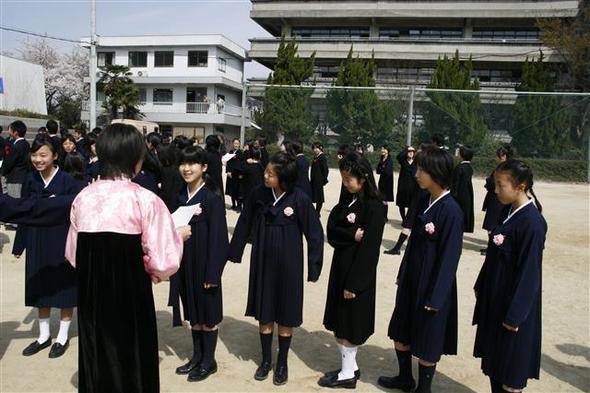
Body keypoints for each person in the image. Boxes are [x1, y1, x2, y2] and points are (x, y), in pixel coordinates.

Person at [65, 123, 188, 393]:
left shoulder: (83, 198)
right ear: (136, 159)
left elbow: (73, 254)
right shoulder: (144, 200)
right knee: (133, 356)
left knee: (96, 353)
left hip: (92, 296)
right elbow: (164, 261)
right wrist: (176, 239)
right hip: (130, 295)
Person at [228, 152, 324, 386]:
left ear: (284, 177)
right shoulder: (258, 194)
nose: (265, 175)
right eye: (266, 171)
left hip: (290, 263)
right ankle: (266, 359)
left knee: (286, 312)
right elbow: (244, 222)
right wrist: (235, 251)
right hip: (263, 260)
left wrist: (314, 266)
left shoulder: (299, 198)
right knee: (265, 309)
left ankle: (282, 361)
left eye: (270, 173)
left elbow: (314, 233)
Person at [379, 147, 463, 393]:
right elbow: (413, 242)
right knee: (400, 330)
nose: (416, 173)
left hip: (432, 284)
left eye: (421, 169)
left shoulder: (451, 211)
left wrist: (436, 297)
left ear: (436, 173)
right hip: (412, 277)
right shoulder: (423, 199)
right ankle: (405, 377)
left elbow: (450, 258)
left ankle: (423, 388)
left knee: (427, 341)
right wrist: (402, 273)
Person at [472, 160, 546, 393]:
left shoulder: (532, 223)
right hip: (496, 301)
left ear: (521, 186)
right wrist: (481, 285)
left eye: (501, 185)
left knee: (511, 374)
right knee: (495, 363)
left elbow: (529, 274)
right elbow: (493, 258)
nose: (495, 190)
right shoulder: (507, 212)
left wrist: (515, 316)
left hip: (514, 309)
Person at [318, 152, 386, 389]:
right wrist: (351, 234)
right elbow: (332, 229)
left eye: (350, 179)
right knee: (339, 322)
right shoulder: (346, 201)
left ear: (364, 177)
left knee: (350, 325)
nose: (346, 184)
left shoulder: (376, 207)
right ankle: (350, 367)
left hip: (357, 275)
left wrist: (354, 284)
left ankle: (348, 375)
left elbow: (369, 251)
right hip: (340, 268)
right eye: (344, 179)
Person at [12, 135, 84, 358]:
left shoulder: (68, 181)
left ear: (55, 155)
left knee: (64, 287)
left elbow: (76, 215)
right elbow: (23, 211)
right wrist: (20, 244)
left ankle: (62, 336)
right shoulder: (30, 179)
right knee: (39, 285)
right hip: (36, 238)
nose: (37, 159)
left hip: (60, 239)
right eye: (34, 155)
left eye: (43, 155)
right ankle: (43, 336)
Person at [168, 146, 229, 382]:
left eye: (192, 163)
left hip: (205, 265)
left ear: (204, 167)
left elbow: (220, 240)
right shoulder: (179, 195)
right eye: (183, 163)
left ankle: (208, 361)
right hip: (185, 263)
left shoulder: (211, 198)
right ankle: (196, 356)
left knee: (208, 314)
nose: (186, 168)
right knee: (193, 312)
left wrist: (213, 274)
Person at [385, 146, 421, 256]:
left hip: (414, 191)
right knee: (402, 207)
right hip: (404, 187)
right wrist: (407, 148)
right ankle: (404, 219)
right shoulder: (404, 161)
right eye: (409, 152)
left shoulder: (417, 163)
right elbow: (399, 155)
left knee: (411, 221)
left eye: (412, 151)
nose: (410, 153)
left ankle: (397, 248)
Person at [481, 145, 513, 255]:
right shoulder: (501, 167)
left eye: (498, 156)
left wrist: (489, 181)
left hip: (498, 200)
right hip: (494, 198)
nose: (496, 158)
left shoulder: (505, 169)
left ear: (504, 156)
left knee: (494, 223)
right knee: (492, 223)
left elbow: (493, 182)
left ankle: (493, 247)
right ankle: (490, 245)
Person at [1, 120, 31, 228]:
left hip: (14, 176)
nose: (8, 131)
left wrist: (3, 171)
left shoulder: (17, 146)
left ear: (15, 132)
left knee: (14, 200)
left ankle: (15, 223)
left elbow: (10, 162)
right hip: (22, 175)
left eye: (10, 129)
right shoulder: (26, 144)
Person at [451, 145, 475, 233]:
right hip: (467, 195)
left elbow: (455, 184)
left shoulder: (459, 168)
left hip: (458, 196)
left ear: (461, 155)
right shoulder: (469, 168)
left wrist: (452, 196)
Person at [310, 142, 329, 215]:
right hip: (314, 180)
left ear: (320, 148)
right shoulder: (316, 157)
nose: (315, 149)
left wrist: (324, 180)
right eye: (314, 148)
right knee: (315, 195)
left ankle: (318, 212)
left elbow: (325, 170)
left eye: (316, 148)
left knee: (319, 197)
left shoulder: (322, 157)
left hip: (319, 180)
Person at [376, 145, 395, 219]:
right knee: (380, 199)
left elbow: (388, 171)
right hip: (382, 182)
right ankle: (381, 215)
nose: (382, 150)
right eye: (382, 149)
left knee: (384, 200)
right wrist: (382, 168)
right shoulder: (382, 159)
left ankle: (385, 216)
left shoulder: (389, 160)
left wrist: (382, 169)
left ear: (387, 151)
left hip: (387, 182)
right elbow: (378, 171)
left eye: (384, 149)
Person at [225, 138, 243, 211]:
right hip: (230, 174)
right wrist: (228, 171)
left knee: (238, 191)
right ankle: (233, 205)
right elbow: (227, 163)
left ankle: (239, 206)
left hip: (237, 175)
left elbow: (242, 164)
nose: (236, 145)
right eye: (234, 143)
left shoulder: (241, 153)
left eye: (237, 143)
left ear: (239, 144)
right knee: (231, 190)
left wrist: (241, 173)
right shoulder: (230, 152)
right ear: (232, 144)